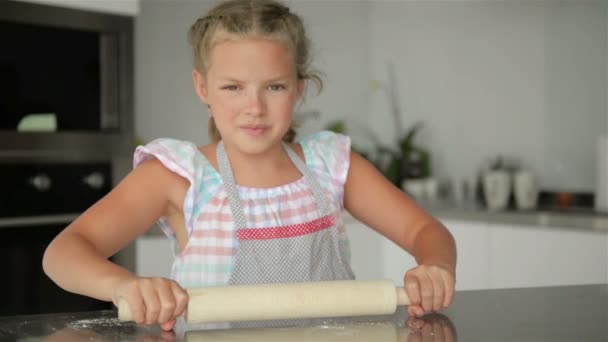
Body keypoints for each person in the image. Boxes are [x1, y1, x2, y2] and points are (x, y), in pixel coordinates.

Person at [43, 0, 456, 332]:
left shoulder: (333, 165)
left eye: (273, 87)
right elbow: (63, 253)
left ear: (298, 87)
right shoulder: (178, 176)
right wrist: (126, 285)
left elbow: (425, 231)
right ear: (203, 88)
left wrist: (433, 267)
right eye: (233, 88)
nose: (254, 108)